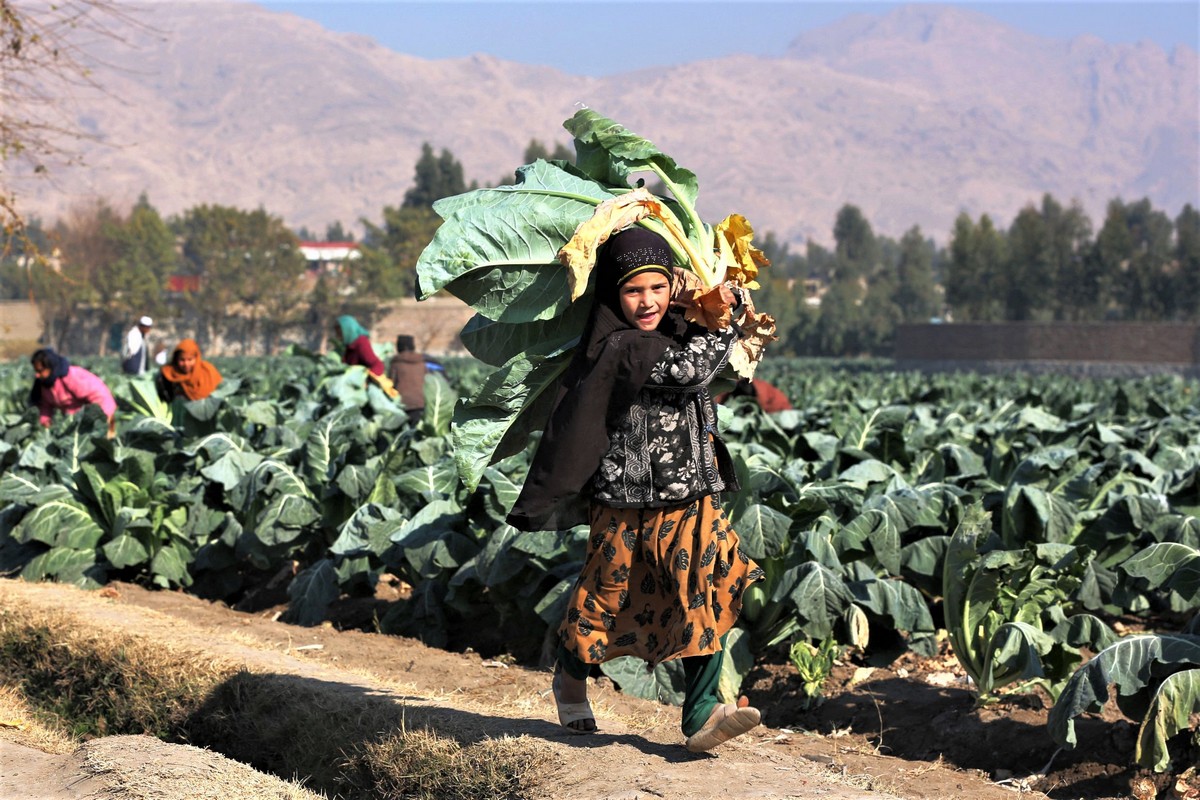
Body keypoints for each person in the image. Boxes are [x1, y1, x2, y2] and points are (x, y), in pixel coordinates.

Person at [506, 227, 765, 753]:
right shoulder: (620, 344)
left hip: (690, 494)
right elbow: (690, 372)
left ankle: (700, 716)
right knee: (605, 594)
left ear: (673, 285)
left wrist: (714, 311)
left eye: (657, 288)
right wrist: (730, 319)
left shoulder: (684, 327)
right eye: (632, 291)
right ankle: (571, 675)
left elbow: (722, 376)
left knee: (703, 589)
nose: (647, 302)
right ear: (613, 295)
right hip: (624, 500)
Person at [29, 348, 117, 437]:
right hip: (73, 420)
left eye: (40, 371)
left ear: (50, 367)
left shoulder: (70, 377)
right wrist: (45, 423)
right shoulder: (45, 384)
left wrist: (104, 418)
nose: (37, 375)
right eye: (36, 371)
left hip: (95, 412)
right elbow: (45, 406)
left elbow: (98, 395)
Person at [155, 339, 223, 402]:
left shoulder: (208, 371)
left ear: (196, 358)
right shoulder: (168, 375)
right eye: (182, 360)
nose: (186, 364)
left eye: (190, 359)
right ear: (176, 359)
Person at [386, 334, 427, 425]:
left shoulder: (396, 363)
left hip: (403, 404)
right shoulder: (421, 362)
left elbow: (390, 384)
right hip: (421, 403)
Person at [715, 377, 794, 413]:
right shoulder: (738, 383)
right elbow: (723, 395)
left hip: (781, 410)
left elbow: (762, 412)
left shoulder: (762, 394)